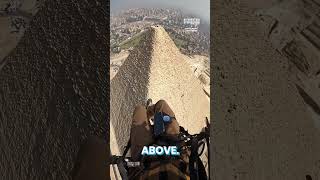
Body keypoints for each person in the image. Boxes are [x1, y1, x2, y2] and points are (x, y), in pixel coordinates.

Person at [129, 99, 190, 180]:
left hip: (144, 158)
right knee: (161, 105)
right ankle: (150, 112)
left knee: (140, 110)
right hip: (174, 148)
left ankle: (149, 115)